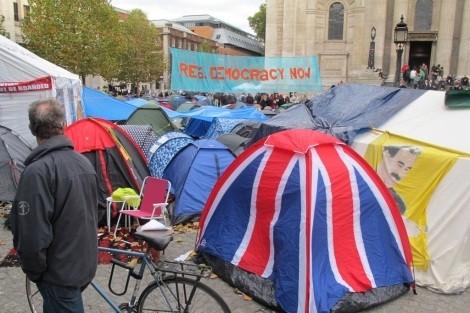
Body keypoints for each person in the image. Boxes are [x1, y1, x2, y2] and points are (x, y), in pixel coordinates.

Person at [10, 98, 99, 313]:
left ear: (33, 129)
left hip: (59, 274)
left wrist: (34, 271)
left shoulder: (38, 171)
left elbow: (32, 233)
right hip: (81, 266)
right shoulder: (82, 161)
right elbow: (94, 212)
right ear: (63, 125)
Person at [376, 145, 422, 215]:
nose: (400, 174)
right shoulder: (359, 176)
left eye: (407, 169)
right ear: (386, 154)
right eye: (400, 164)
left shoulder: (399, 205)